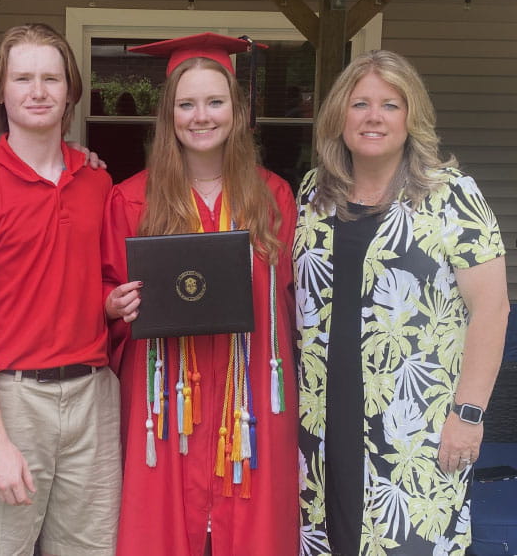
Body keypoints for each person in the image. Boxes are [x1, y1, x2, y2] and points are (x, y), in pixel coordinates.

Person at [295, 50, 509, 555]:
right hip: (321, 425)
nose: (373, 117)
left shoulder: (453, 195)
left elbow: (492, 309)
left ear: (412, 116)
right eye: (360, 103)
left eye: (390, 105)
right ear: (338, 116)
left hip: (417, 427)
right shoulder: (313, 194)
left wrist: (469, 415)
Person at [103, 33, 300, 556]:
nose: (201, 116)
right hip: (164, 400)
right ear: (168, 114)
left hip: (251, 396)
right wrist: (114, 305)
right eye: (187, 104)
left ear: (238, 111)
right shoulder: (130, 200)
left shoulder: (273, 196)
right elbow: (104, 296)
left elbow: (294, 301)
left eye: (216, 102)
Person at [0, 23, 120, 556]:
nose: (38, 91)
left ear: (70, 91)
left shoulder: (97, 183)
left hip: (92, 394)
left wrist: (110, 301)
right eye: (23, 78)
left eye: (51, 78)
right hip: (12, 399)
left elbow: (94, 283)